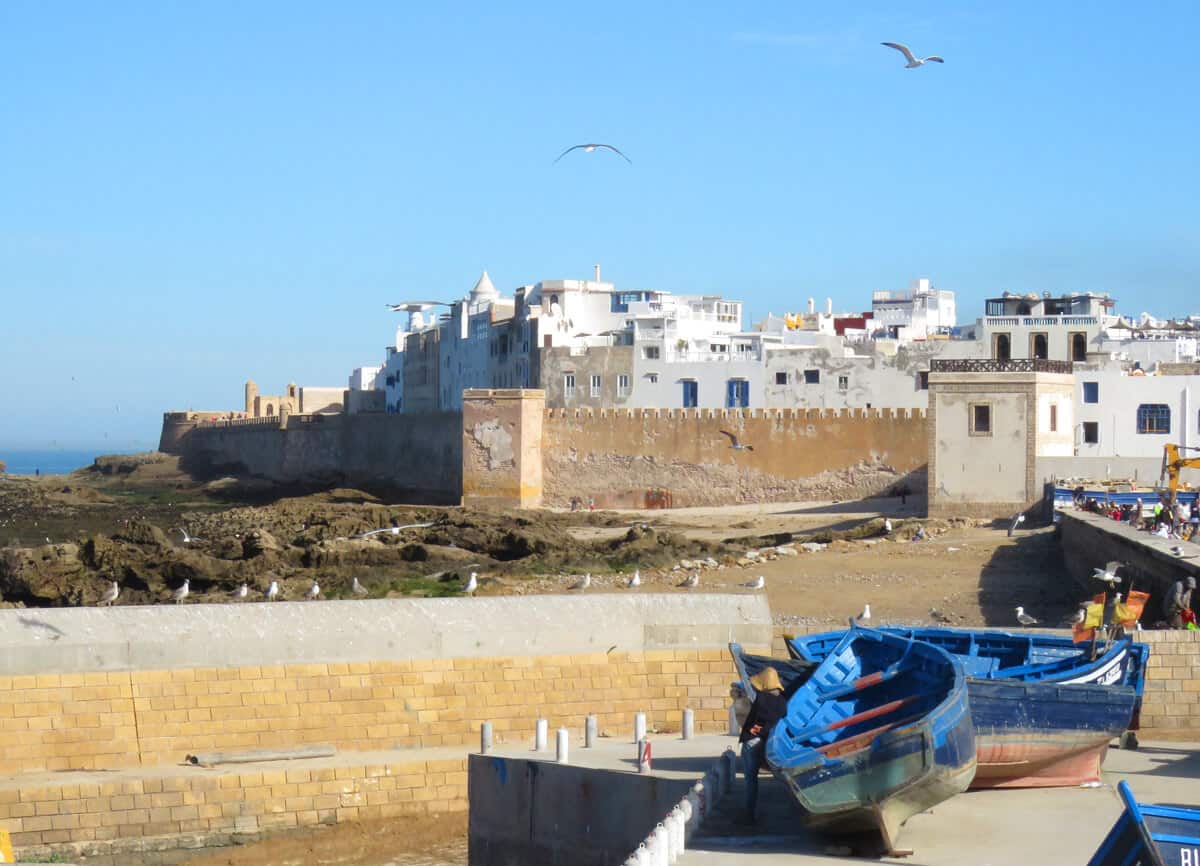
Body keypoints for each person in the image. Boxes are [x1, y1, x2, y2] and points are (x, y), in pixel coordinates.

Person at [738, 668, 788, 825]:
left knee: (750, 780)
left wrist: (753, 731)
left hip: (752, 741)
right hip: (766, 742)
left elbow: (755, 721)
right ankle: (749, 813)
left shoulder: (762, 699)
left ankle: (748, 815)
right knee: (754, 780)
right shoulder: (782, 702)